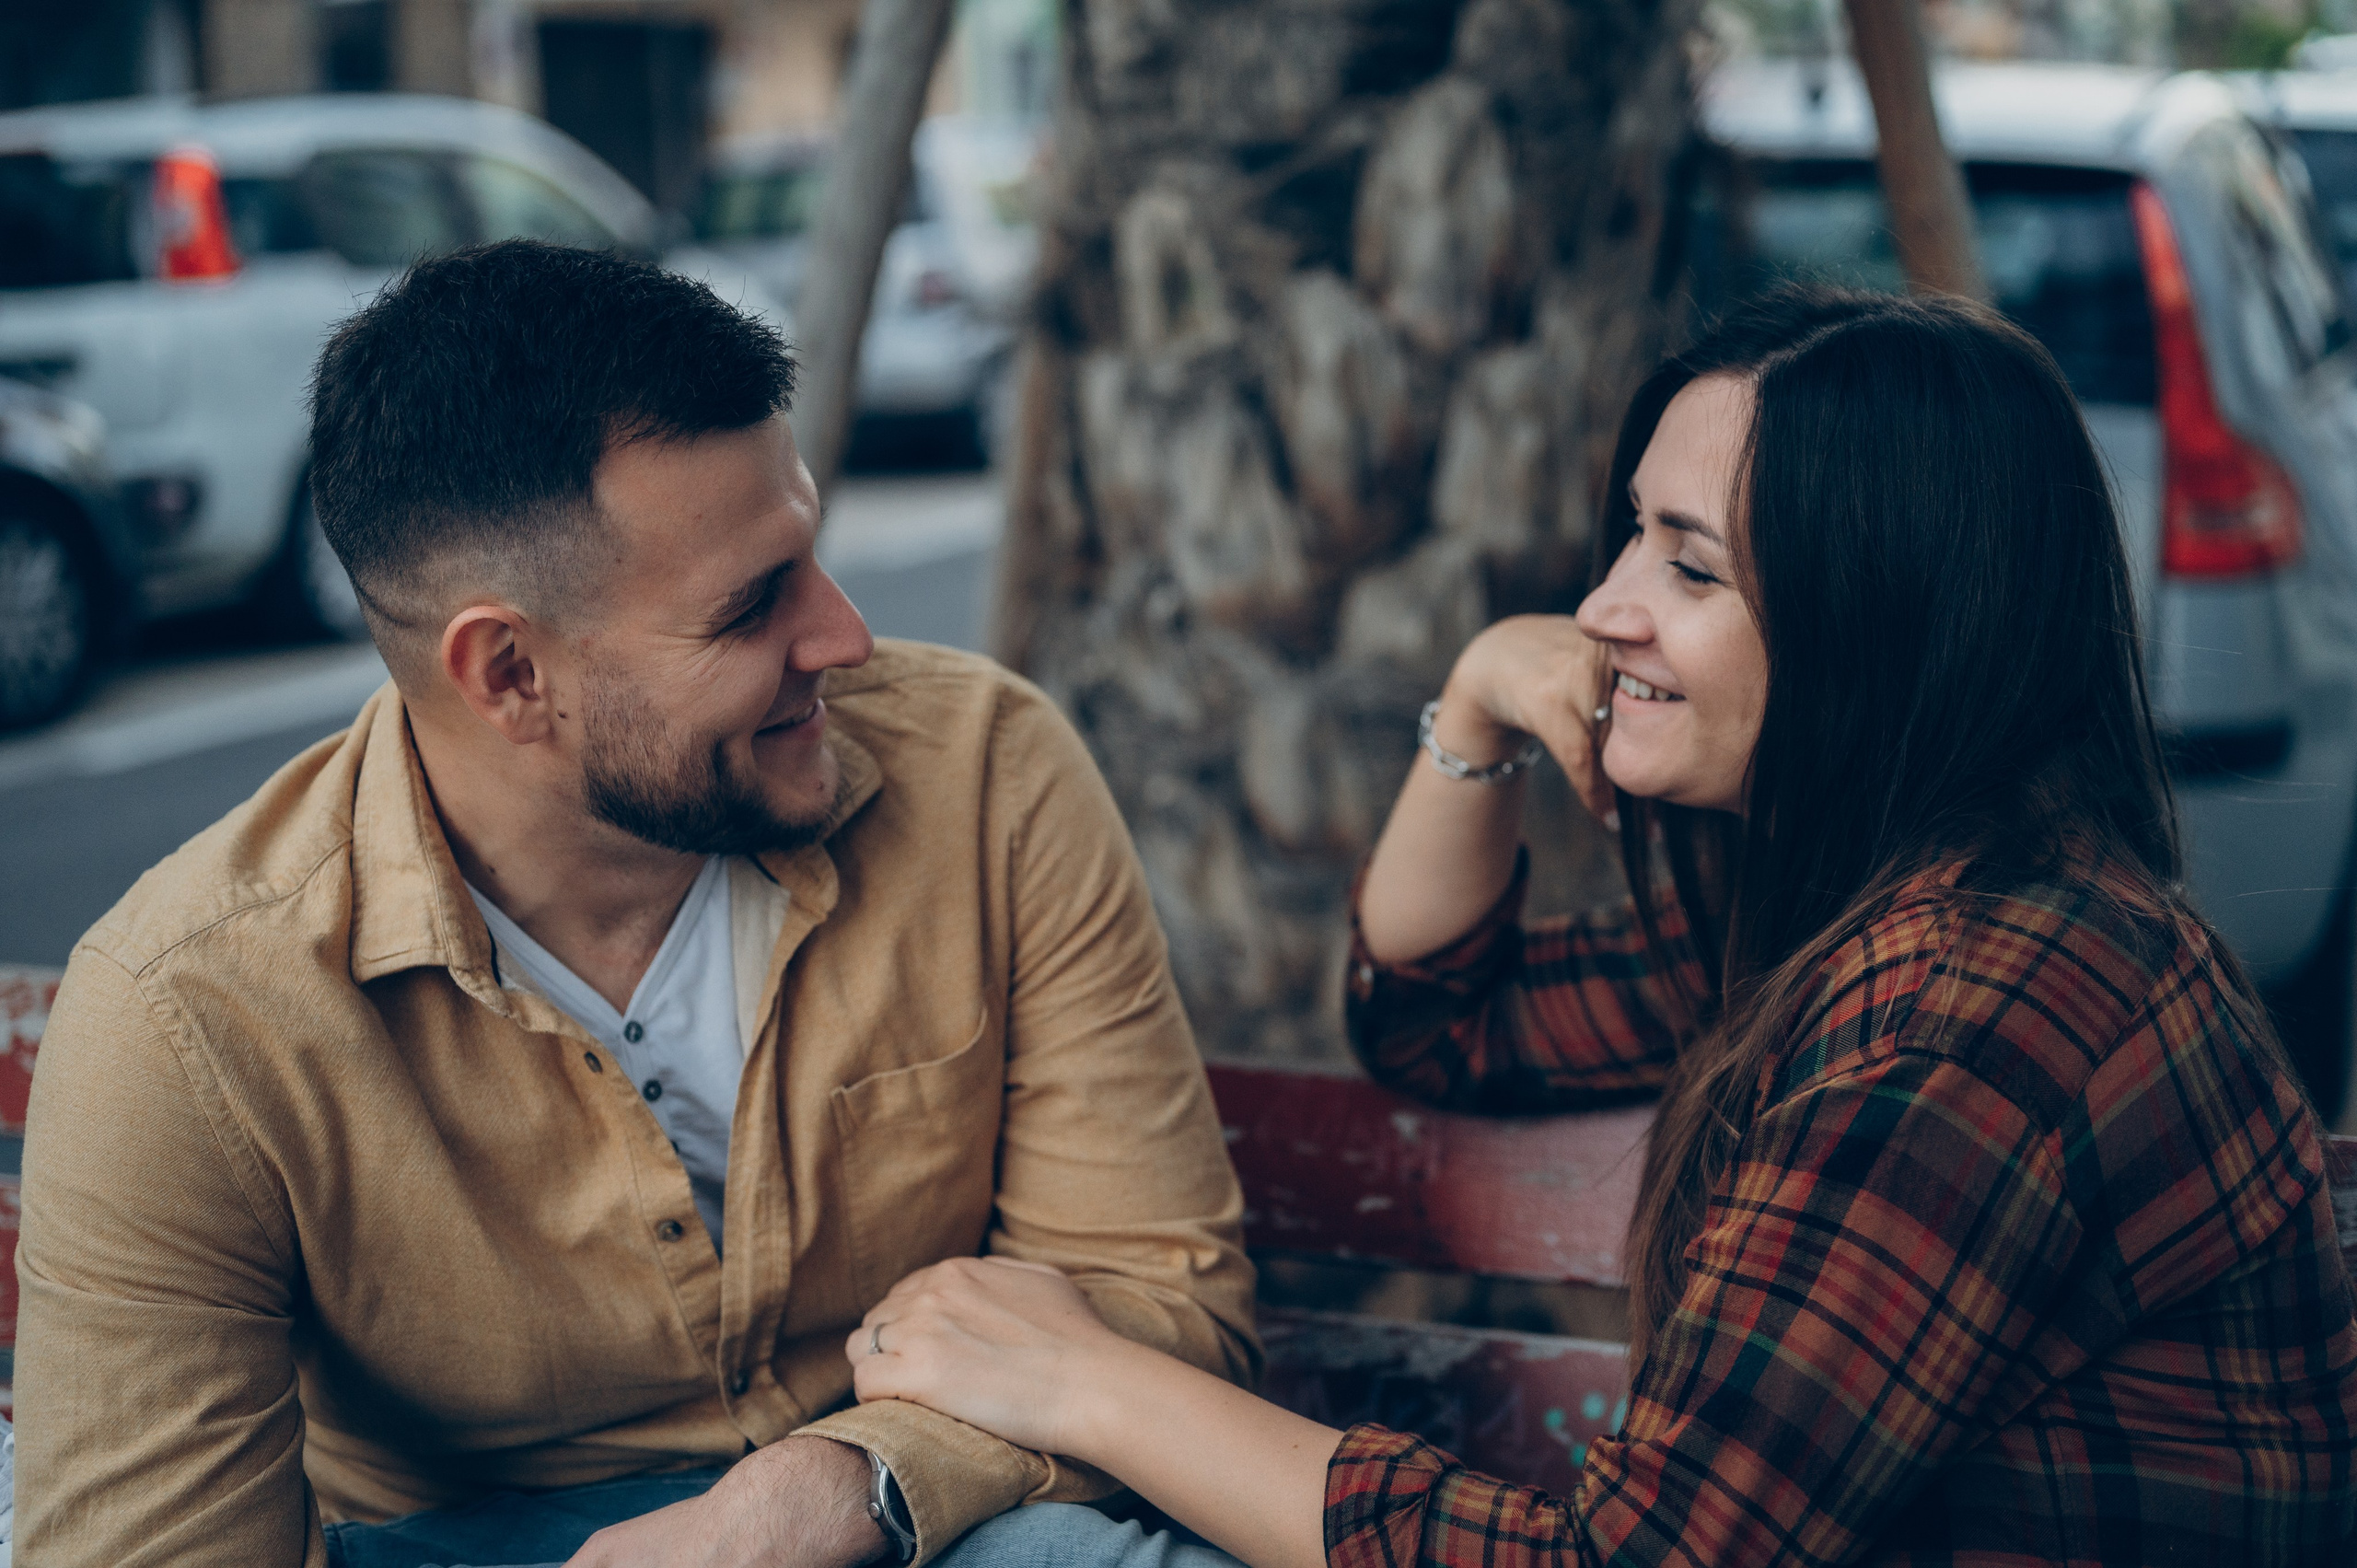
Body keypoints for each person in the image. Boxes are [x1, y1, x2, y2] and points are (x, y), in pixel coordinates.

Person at [840, 286, 2357, 1565]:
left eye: (1691, 567)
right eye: (1634, 535)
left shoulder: (1986, 1007)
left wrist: (1086, 1383)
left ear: (1881, 626)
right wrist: (1483, 702)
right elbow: (1445, 1020)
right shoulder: (1846, 908)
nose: (1610, 604)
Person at [14, 240, 1259, 1568]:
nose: (844, 636)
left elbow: (1155, 1295)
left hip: (923, 1514)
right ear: (508, 673)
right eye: (749, 608)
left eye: (810, 555)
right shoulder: (188, 1012)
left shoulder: (982, 770)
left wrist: (839, 1490)